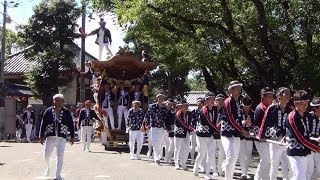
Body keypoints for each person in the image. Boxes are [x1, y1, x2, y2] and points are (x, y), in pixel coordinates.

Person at [258, 87, 291, 180]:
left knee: (287, 164)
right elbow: (264, 122)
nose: (289, 96)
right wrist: (261, 135)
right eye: (286, 94)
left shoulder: (290, 109)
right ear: (280, 96)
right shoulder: (272, 108)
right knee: (274, 163)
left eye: (289, 94)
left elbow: (290, 125)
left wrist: (287, 136)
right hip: (274, 139)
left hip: (286, 140)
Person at [39, 94, 75, 180]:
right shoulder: (48, 111)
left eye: (59, 100)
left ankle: (58, 175)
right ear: (53, 101)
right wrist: (41, 136)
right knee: (46, 155)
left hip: (61, 137)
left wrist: (72, 136)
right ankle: (48, 167)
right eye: (55, 100)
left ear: (62, 101)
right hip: (50, 137)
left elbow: (71, 124)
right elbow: (43, 124)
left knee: (60, 156)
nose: (57, 102)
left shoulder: (66, 112)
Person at [286, 90, 320, 180]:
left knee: (302, 176)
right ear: (296, 104)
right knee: (300, 176)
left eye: (306, 103)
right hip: (295, 150)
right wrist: (316, 148)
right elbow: (301, 138)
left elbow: (307, 135)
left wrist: (315, 140)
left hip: (304, 150)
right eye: (302, 104)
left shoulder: (307, 115)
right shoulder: (292, 117)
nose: (305, 106)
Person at [221, 81, 250, 180]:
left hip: (236, 133)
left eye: (239, 88)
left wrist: (244, 122)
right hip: (227, 133)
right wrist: (242, 130)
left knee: (234, 157)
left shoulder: (238, 102)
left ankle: (229, 177)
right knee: (231, 155)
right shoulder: (228, 101)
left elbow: (237, 119)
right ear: (231, 90)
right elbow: (230, 119)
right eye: (236, 88)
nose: (239, 90)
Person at [193, 92, 221, 179]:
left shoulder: (215, 109)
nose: (212, 100)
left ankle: (207, 173)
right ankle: (196, 166)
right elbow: (210, 123)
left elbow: (218, 119)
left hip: (210, 134)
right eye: (210, 99)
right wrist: (218, 129)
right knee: (201, 153)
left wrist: (220, 125)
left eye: (213, 99)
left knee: (211, 154)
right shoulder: (203, 110)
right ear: (206, 100)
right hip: (201, 134)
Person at [254, 87, 275, 180]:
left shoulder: (270, 108)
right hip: (260, 137)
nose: (271, 98)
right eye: (269, 96)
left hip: (268, 137)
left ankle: (263, 177)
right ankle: (258, 178)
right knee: (266, 159)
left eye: (272, 96)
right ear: (263, 97)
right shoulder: (260, 108)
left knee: (268, 160)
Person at [144, 93, 167, 164]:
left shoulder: (165, 108)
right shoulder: (152, 106)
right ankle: (156, 157)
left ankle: (155, 155)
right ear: (157, 98)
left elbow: (166, 118)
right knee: (155, 141)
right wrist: (146, 125)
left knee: (160, 143)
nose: (161, 99)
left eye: (162, 98)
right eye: (159, 98)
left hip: (162, 127)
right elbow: (147, 115)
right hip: (154, 126)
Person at [174, 100, 194, 170]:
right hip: (179, 132)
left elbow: (191, 122)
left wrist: (191, 128)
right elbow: (182, 123)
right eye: (184, 106)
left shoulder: (189, 113)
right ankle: (176, 163)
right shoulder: (178, 114)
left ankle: (183, 163)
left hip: (187, 132)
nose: (186, 107)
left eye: (187, 106)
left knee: (186, 148)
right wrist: (191, 129)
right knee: (177, 148)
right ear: (181, 107)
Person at [239, 96, 255, 179]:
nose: (247, 109)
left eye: (248, 107)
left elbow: (255, 126)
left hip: (249, 136)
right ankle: (243, 173)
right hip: (241, 136)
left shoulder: (252, 113)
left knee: (248, 155)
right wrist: (241, 123)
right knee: (241, 155)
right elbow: (235, 123)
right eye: (245, 107)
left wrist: (250, 124)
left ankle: (246, 171)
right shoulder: (239, 112)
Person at [189, 97, 204, 165]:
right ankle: (192, 159)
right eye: (198, 102)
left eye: (201, 102)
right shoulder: (193, 111)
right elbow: (190, 121)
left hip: (201, 131)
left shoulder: (204, 111)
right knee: (192, 145)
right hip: (194, 130)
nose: (199, 103)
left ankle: (200, 161)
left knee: (199, 146)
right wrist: (192, 129)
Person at [308, 97, 320, 179]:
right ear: (315, 108)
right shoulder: (308, 116)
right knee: (309, 169)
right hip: (308, 146)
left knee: (318, 170)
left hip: (318, 148)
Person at [164, 98, 176, 163]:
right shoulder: (163, 110)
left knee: (170, 144)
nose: (170, 105)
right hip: (163, 129)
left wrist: (169, 128)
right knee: (165, 144)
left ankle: (168, 158)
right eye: (169, 104)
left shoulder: (173, 111)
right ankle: (165, 158)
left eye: (171, 104)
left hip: (170, 130)